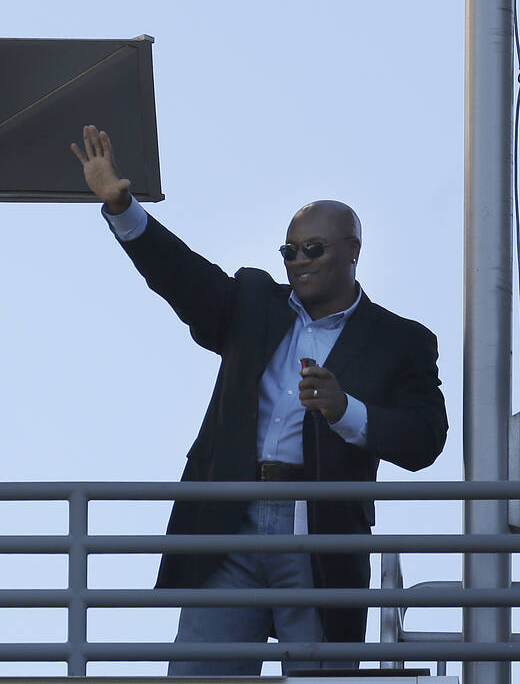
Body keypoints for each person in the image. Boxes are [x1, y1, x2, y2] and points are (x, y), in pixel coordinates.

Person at [70, 124, 448, 676]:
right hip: (232, 521)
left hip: (319, 535)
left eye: (314, 249)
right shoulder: (253, 302)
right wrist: (122, 206)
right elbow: (183, 277)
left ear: (353, 252)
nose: (299, 260)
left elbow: (425, 440)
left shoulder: (399, 340)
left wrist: (347, 411)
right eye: (289, 251)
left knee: (319, 675)